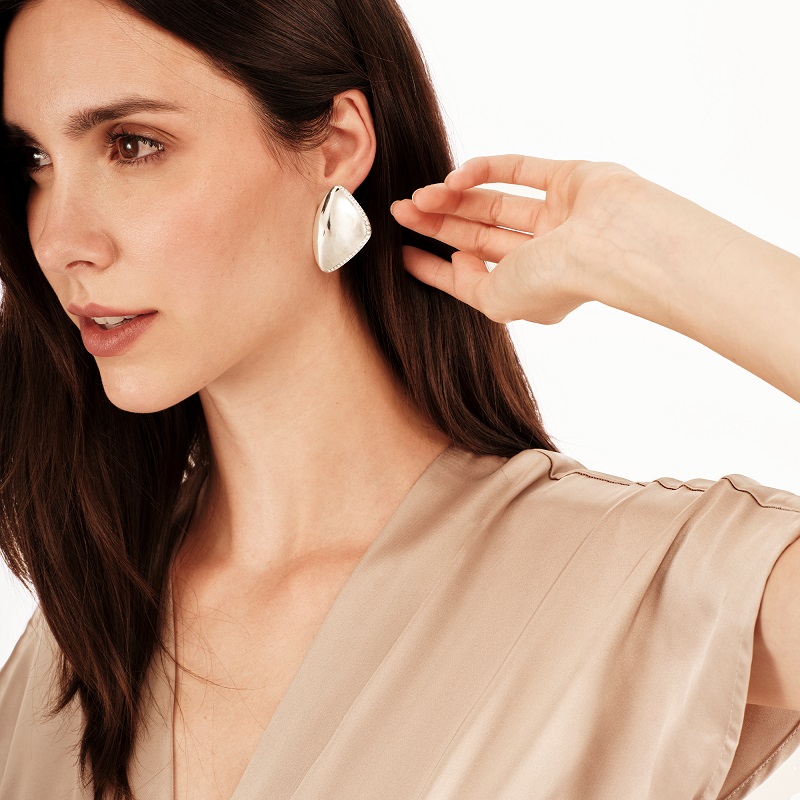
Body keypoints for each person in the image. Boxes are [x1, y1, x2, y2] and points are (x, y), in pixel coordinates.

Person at [0, 1, 798, 800]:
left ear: (337, 146)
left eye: (132, 145)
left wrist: (651, 249)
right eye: (34, 159)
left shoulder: (617, 585)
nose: (60, 241)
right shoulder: (74, 646)